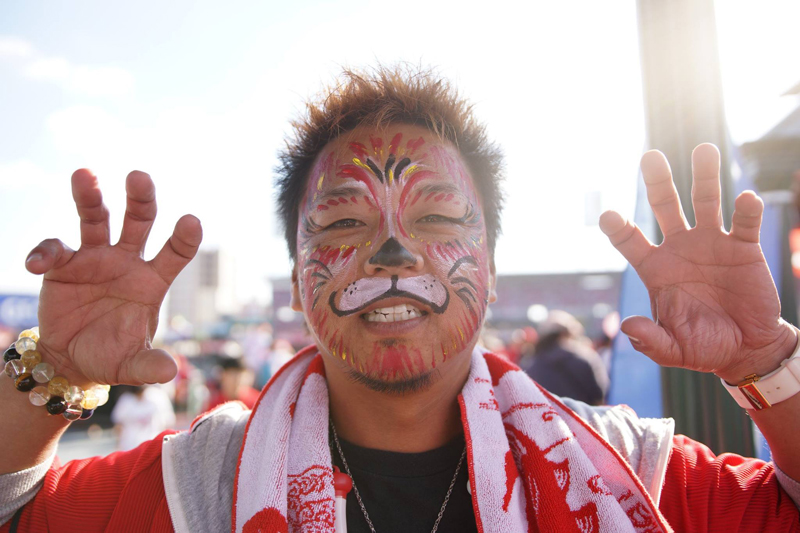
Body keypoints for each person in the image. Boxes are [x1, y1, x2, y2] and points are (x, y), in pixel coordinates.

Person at [1, 65, 799, 532]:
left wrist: (769, 363)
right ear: (298, 275)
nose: (392, 251)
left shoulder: (623, 472)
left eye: (439, 219)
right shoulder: (193, 487)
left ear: (492, 268)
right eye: (344, 221)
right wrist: (52, 371)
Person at [522, 310, 609, 405]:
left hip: (544, 412)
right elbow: (599, 395)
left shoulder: (531, 362)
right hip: (579, 412)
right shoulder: (584, 356)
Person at [111, 385, 177, 451]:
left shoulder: (158, 397)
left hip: (153, 448)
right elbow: (118, 426)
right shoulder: (125, 400)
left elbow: (168, 423)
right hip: (129, 448)